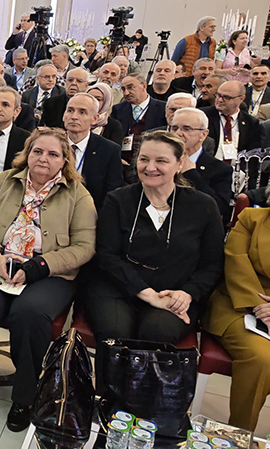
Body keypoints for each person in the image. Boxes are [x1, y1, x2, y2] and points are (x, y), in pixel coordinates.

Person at [0, 127, 96, 431]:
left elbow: (85, 247)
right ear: (27, 154)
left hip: (48, 271)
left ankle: (25, 396)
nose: (43, 158)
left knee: (29, 314)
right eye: (37, 151)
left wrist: (40, 266)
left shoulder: (79, 195)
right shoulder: (2, 181)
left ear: (65, 160)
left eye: (53, 154)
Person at [87, 131, 224, 393]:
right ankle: (106, 400)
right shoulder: (118, 200)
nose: (150, 168)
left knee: (156, 334)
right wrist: (147, 294)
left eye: (161, 161)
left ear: (180, 164)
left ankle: (143, 404)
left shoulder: (203, 206)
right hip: (117, 287)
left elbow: (213, 264)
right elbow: (107, 256)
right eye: (144, 159)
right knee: (114, 334)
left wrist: (187, 293)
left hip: (175, 292)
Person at [203, 206, 270, 431]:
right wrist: (260, 306)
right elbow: (235, 263)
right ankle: (240, 434)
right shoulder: (251, 218)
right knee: (262, 358)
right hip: (237, 303)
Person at [170, 107, 233, 223]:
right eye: (174, 128)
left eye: (186, 128)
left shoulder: (220, 169)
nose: (178, 133)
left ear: (203, 134)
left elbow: (218, 207)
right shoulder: (159, 162)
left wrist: (191, 174)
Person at [63, 93, 124, 211]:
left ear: (95, 119)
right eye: (70, 110)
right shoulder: (50, 145)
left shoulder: (109, 150)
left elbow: (111, 194)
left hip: (91, 212)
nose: (74, 116)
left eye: (82, 112)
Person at [204, 80, 264, 162]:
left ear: (241, 99)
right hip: (209, 166)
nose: (220, 100)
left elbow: (253, 154)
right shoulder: (203, 116)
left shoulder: (250, 122)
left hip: (238, 168)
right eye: (218, 95)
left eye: (226, 97)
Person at [111, 72, 168, 139]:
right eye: (123, 89)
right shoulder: (118, 109)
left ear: (144, 86)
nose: (126, 93)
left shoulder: (163, 108)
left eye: (130, 87)